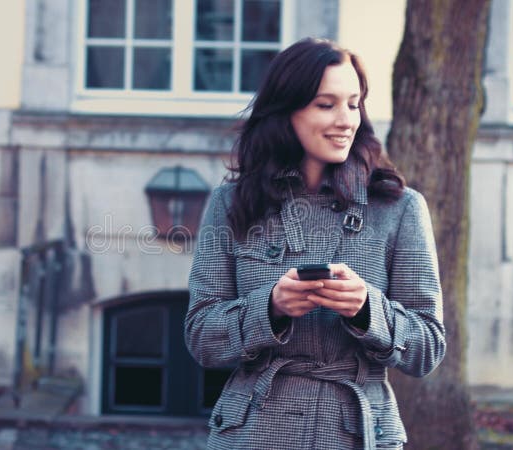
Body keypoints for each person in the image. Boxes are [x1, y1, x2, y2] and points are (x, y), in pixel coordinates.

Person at [185, 37, 446, 450]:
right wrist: (270, 308)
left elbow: (427, 347)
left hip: (358, 431)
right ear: (286, 110)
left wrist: (366, 308)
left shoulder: (399, 208)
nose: (345, 120)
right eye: (326, 104)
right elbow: (201, 337)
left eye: (353, 103)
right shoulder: (231, 204)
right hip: (253, 431)